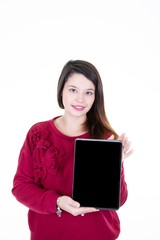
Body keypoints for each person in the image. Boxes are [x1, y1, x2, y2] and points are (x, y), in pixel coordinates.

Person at [12, 59, 133, 240]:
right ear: (61, 90)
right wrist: (57, 202)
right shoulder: (38, 133)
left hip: (97, 234)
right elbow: (21, 187)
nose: (80, 99)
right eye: (73, 90)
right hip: (47, 235)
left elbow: (120, 200)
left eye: (88, 92)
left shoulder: (106, 136)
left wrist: (115, 166)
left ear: (95, 97)